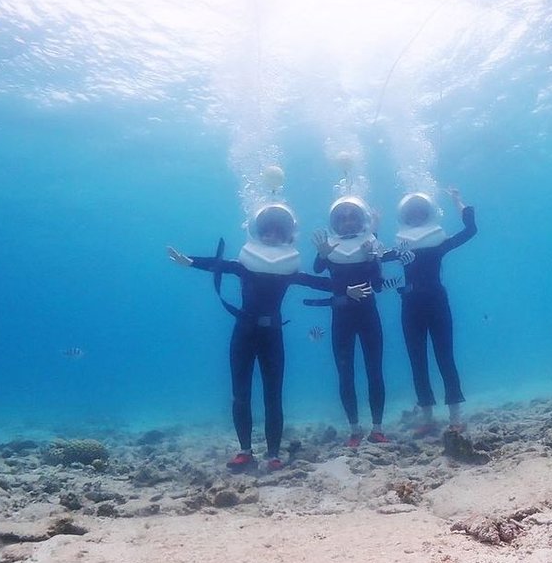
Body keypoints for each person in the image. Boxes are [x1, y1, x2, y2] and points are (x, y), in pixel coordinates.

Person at [168, 202, 367, 473]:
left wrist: (346, 289)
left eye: (278, 231)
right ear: (257, 232)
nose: (271, 236)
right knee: (241, 394)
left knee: (273, 396)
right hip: (244, 333)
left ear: (287, 235)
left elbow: (317, 282)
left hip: (272, 334)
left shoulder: (288, 269)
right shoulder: (245, 265)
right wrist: (190, 262)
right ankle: (245, 452)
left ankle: (273, 455)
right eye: (267, 231)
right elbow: (219, 265)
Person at [312, 195, 408, 448]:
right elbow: (317, 271)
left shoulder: (370, 245)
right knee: (346, 374)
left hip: (368, 316)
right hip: (342, 318)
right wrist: (323, 256)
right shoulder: (329, 247)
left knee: (374, 371)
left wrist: (370, 260)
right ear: (335, 222)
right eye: (342, 218)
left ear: (361, 220)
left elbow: (377, 285)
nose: (348, 222)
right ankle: (354, 430)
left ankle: (377, 428)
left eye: (353, 217)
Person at [393, 187, 477, 436]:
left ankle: (456, 418)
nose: (416, 216)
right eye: (412, 213)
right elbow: (372, 258)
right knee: (417, 360)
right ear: (405, 217)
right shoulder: (400, 248)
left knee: (445, 357)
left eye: (421, 212)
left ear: (429, 214)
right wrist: (371, 230)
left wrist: (458, 200)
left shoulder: (439, 243)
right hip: (410, 305)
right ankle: (428, 418)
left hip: (437, 302)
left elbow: (471, 230)